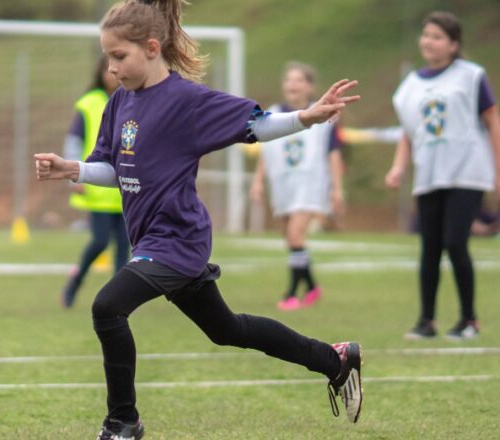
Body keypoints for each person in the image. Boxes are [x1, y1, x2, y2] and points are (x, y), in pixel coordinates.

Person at [34, 1, 363, 438]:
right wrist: (72, 169)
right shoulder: (119, 103)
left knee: (108, 307)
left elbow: (257, 126)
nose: (111, 68)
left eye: (119, 56)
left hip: (178, 239)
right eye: (107, 57)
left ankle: (122, 423)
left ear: (152, 48)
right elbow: (115, 169)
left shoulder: (186, 101)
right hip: (151, 241)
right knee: (227, 329)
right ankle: (334, 360)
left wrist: (306, 117)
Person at [387, 11, 500, 341]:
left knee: (455, 242)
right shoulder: (409, 87)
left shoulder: (471, 76)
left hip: (467, 172)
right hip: (429, 174)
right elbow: (409, 133)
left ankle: (468, 320)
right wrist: (398, 167)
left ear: (453, 44)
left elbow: (492, 120)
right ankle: (426, 321)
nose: (429, 41)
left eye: (437, 37)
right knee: (430, 248)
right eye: (426, 35)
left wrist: (497, 168)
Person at [250, 62, 345, 311]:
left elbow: (333, 154)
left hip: (310, 185)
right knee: (291, 239)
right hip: (283, 185)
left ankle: (291, 294)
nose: (292, 84)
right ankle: (312, 287)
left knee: (295, 235)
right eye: (288, 79)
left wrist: (337, 189)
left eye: (299, 80)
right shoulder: (272, 114)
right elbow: (266, 152)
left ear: (310, 86)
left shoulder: (322, 115)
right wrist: (258, 181)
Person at [62, 56, 130, 308]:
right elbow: (74, 141)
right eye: (107, 69)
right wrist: (74, 174)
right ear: (100, 73)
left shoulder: (134, 99)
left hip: (125, 190)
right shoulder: (89, 103)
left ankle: (118, 301)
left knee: (123, 249)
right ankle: (75, 281)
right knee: (100, 241)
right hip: (97, 189)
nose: (112, 73)